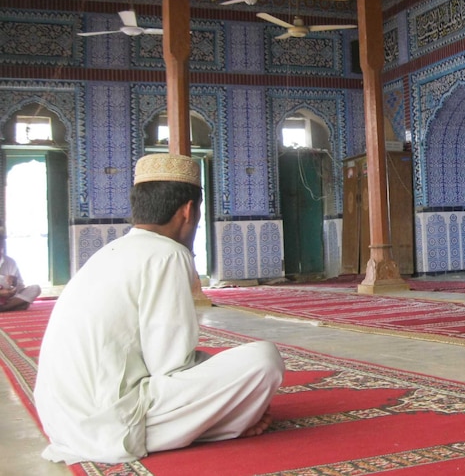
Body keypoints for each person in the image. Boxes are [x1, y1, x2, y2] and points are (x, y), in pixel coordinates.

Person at [34, 153, 285, 465]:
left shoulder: (111, 252)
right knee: (263, 358)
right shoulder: (169, 254)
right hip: (112, 425)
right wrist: (239, 395)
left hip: (64, 423)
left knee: (231, 371)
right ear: (188, 211)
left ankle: (220, 422)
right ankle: (228, 426)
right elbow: (171, 366)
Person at [0, 227, 41, 312]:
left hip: (8, 298)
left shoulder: (10, 262)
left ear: (2, 247)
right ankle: (16, 306)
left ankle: (4, 308)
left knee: (35, 288)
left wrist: (14, 284)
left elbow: (20, 286)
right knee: (23, 303)